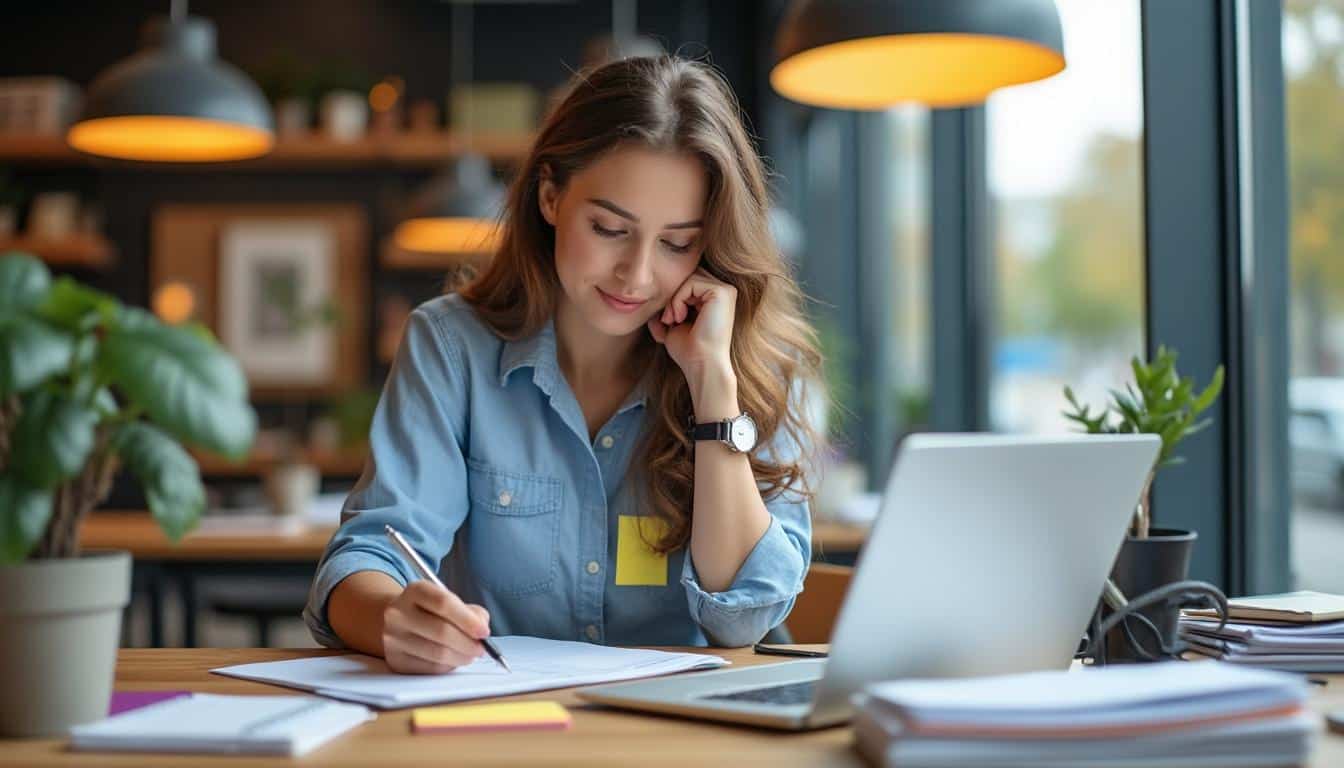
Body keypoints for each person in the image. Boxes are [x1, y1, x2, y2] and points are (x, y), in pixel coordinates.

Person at [302, 55, 824, 674]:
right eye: (609, 228)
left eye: (677, 243)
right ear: (550, 196)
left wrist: (712, 384)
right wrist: (395, 620)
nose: (637, 274)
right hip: (503, 723)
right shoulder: (450, 348)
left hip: (687, 737)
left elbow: (745, 618)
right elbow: (364, 558)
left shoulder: (752, 364)